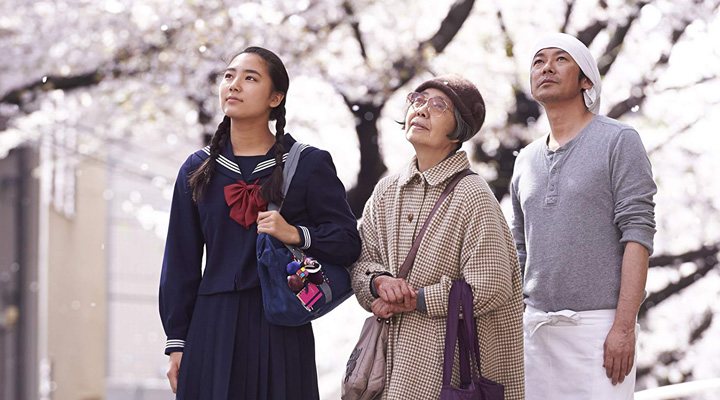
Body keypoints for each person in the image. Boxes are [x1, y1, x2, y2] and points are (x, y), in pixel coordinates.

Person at [159, 46, 361, 400]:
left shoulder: (309, 164)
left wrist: (296, 234)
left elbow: (348, 241)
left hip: (281, 322)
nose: (234, 85)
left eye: (250, 78)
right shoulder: (197, 169)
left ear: (275, 97)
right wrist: (177, 343)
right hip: (211, 325)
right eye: (229, 76)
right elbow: (180, 262)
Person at [350, 75, 525, 399]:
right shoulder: (386, 190)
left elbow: (491, 285)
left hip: (446, 370)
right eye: (417, 100)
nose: (422, 109)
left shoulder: (473, 194)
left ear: (458, 128)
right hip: (385, 368)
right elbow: (362, 259)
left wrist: (416, 299)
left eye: (438, 105)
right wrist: (378, 284)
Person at [511, 32, 657, 400]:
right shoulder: (525, 159)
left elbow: (638, 234)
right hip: (534, 332)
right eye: (538, 60)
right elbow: (519, 250)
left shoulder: (619, 140)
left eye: (561, 59)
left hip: (599, 329)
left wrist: (624, 328)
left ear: (586, 80)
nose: (546, 67)